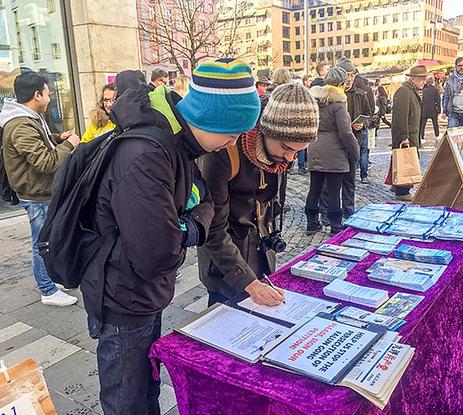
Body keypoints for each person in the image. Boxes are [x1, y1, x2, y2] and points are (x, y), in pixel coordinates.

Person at [83, 58, 259, 414]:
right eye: (232, 133)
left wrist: (185, 223)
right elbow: (158, 253)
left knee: (146, 390)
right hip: (123, 297)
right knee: (127, 401)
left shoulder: (180, 144)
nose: (232, 143)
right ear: (211, 118)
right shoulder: (149, 154)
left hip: (142, 292)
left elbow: (204, 200)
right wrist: (192, 227)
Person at [197, 82, 317, 307]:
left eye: (299, 152)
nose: (290, 159)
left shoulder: (278, 156)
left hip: (262, 254)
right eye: (287, 149)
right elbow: (213, 230)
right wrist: (248, 282)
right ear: (266, 131)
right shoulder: (224, 151)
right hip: (226, 267)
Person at [0, 70, 81, 306]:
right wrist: (69, 144)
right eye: (47, 93)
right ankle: (47, 290)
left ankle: (50, 279)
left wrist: (56, 139)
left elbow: (38, 147)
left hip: (42, 191)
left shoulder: (29, 118)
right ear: (37, 94)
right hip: (35, 194)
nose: (50, 98)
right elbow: (45, 162)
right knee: (41, 243)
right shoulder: (21, 125)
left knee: (49, 239)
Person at [307, 67, 358, 234]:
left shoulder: (316, 102)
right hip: (334, 153)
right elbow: (346, 133)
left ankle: (312, 222)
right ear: (341, 84)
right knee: (334, 190)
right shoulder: (338, 106)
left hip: (315, 148)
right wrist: (354, 151)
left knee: (314, 188)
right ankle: (336, 224)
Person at [389, 65, 427, 201]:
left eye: (425, 79)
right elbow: (401, 116)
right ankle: (402, 190)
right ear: (413, 79)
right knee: (407, 162)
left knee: (405, 160)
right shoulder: (404, 92)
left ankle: (398, 185)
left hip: (411, 134)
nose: (424, 81)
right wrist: (404, 137)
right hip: (407, 136)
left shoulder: (411, 91)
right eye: (421, 79)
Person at [340, 60, 373, 202]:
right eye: (347, 74)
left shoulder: (360, 94)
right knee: (331, 184)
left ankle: (348, 210)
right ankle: (329, 213)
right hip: (337, 144)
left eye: (352, 74)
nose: (350, 78)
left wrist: (363, 123)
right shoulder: (332, 95)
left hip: (355, 141)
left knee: (350, 181)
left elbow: (369, 114)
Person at [420, 79, 441, 148]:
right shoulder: (435, 90)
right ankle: (437, 135)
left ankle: (422, 137)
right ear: (433, 82)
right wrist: (439, 110)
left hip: (424, 110)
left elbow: (421, 100)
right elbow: (438, 100)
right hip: (433, 109)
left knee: (423, 124)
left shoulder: (424, 90)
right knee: (435, 123)